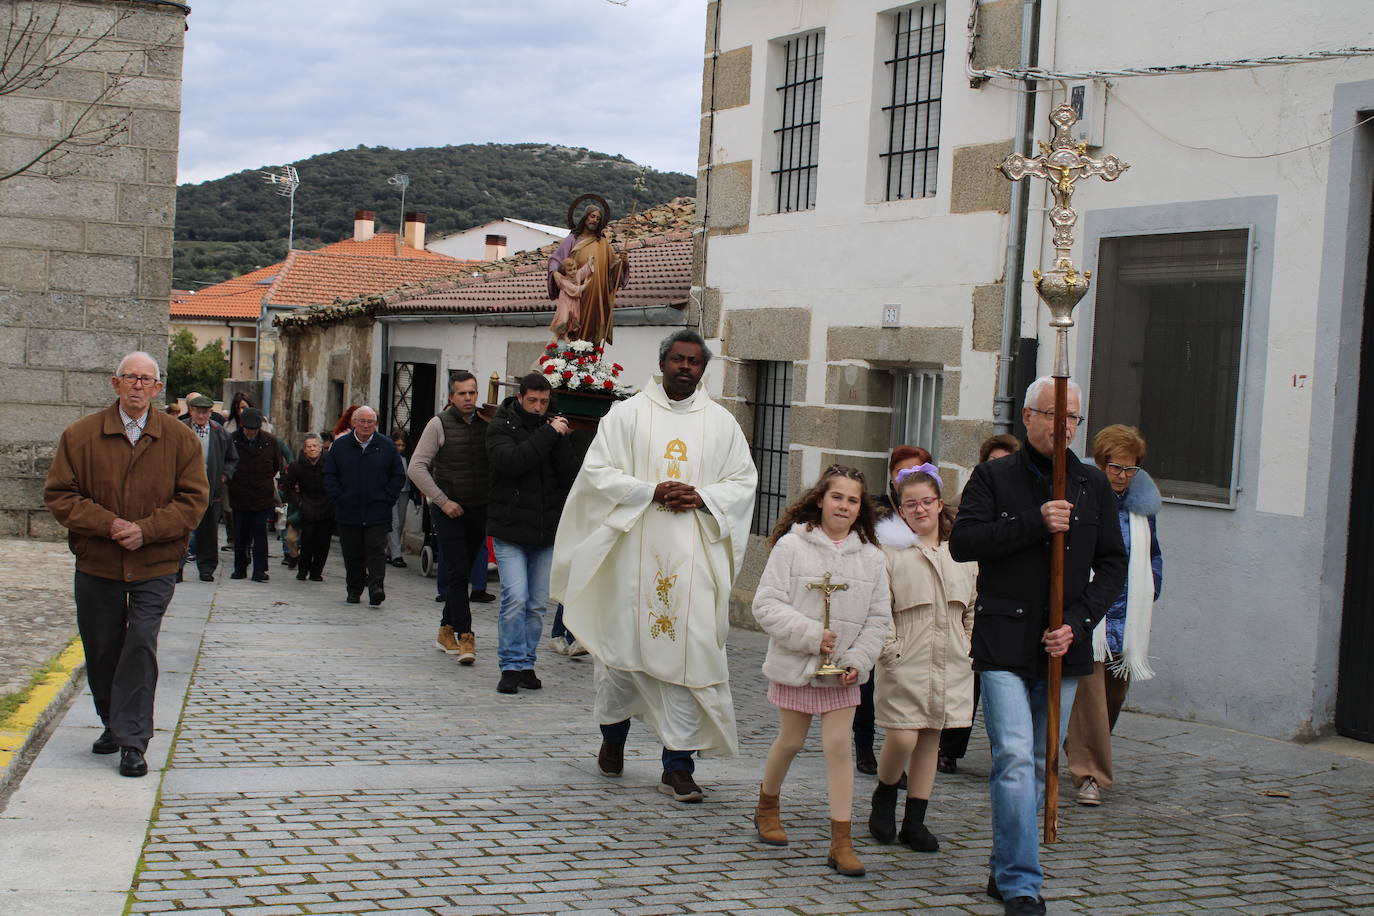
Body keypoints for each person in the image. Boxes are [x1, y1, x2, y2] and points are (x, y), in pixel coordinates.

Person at [550, 330, 757, 804]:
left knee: (687, 661)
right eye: (678, 359)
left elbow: (743, 481)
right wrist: (651, 491)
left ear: (704, 369)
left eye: (694, 362)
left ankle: (677, 767)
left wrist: (703, 495)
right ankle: (613, 740)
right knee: (621, 659)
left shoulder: (722, 424)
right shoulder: (626, 415)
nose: (686, 367)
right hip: (631, 558)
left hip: (693, 561)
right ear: (663, 362)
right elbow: (597, 474)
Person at [949, 376, 1126, 916]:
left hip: (1061, 647)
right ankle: (1024, 882)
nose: (1064, 427)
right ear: (1027, 417)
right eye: (1053, 415)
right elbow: (964, 543)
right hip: (1004, 641)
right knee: (1014, 758)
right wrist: (1033, 523)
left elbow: (1113, 565)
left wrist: (1077, 621)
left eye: (1072, 417)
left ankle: (1004, 869)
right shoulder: (993, 475)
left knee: (1041, 760)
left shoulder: (1092, 485)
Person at [43, 352, 208, 778]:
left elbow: (193, 501)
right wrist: (107, 523)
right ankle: (112, 723)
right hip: (98, 560)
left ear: (158, 389)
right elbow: (61, 494)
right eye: (129, 378)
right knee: (101, 649)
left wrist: (147, 530)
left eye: (146, 379)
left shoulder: (180, 439)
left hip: (155, 561)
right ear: (115, 384)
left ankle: (133, 741)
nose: (137, 385)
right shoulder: (80, 436)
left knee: (140, 643)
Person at [751, 465, 890, 877]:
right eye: (837, 497)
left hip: (841, 672)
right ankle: (767, 806)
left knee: (837, 747)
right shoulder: (792, 547)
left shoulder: (872, 557)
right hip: (798, 662)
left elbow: (878, 619)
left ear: (860, 507)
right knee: (791, 740)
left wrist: (858, 660)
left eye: (852, 500)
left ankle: (841, 841)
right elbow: (766, 604)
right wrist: (812, 636)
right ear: (820, 499)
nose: (844, 506)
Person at [869, 465, 975, 855]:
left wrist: (968, 642)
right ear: (900, 508)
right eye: (910, 504)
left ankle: (916, 819)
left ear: (939, 503)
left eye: (926, 502)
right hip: (906, 655)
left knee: (931, 737)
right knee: (902, 733)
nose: (920, 510)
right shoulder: (889, 553)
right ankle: (885, 790)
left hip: (950, 656)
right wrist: (890, 648)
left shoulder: (961, 551)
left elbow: (974, 603)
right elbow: (879, 607)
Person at [1065, 424, 1163, 807]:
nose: (1123, 477)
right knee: (1089, 699)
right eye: (1116, 468)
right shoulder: (1084, 498)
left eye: (1130, 469)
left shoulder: (1142, 509)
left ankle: (1073, 749)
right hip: (1092, 615)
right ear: (1101, 464)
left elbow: (1153, 551)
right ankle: (1089, 773)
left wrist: (1152, 586)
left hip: (1128, 616)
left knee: (1113, 697)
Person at [486, 373, 579, 694]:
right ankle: (509, 665)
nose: (539, 407)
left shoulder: (552, 429)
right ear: (521, 397)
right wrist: (548, 434)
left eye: (544, 401)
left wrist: (561, 438)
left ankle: (526, 662)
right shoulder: (501, 426)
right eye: (532, 401)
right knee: (515, 598)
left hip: (544, 532)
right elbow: (513, 462)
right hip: (510, 530)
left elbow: (570, 474)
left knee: (537, 604)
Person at [938, 433, 1022, 775]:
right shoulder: (963, 504)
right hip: (970, 595)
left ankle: (1005, 748)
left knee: (1005, 682)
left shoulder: (1023, 505)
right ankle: (950, 747)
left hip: (1006, 600)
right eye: (991, 463)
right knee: (966, 679)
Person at [856, 443, 934, 775]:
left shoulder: (931, 511)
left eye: (916, 471)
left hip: (915, 612)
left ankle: (898, 758)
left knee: (905, 689)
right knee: (870, 683)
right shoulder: (875, 509)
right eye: (901, 473)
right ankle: (864, 747)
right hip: (876, 608)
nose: (908, 478)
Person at [408, 373, 490, 661]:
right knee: (456, 570)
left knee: (463, 571)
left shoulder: (485, 423)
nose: (468, 398)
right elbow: (416, 467)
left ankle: (445, 627)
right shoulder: (438, 424)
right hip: (448, 511)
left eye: (472, 392)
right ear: (451, 397)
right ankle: (465, 637)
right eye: (462, 394)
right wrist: (443, 501)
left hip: (478, 508)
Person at [323, 405, 405, 606]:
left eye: (371, 422)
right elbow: (329, 475)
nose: (366, 425)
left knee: (376, 549)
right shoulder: (340, 446)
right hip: (348, 510)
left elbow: (398, 476)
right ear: (354, 423)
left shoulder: (386, 446)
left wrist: (387, 498)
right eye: (362, 421)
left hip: (377, 510)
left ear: (376, 424)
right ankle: (354, 588)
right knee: (352, 552)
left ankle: (376, 587)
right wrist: (339, 497)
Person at [546, 199, 629, 347]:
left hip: (597, 294)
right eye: (592, 216)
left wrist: (623, 263)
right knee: (574, 322)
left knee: (592, 328)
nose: (595, 220)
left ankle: (588, 355)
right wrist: (555, 273)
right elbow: (556, 259)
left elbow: (613, 268)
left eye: (598, 218)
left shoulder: (602, 243)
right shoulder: (572, 239)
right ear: (585, 218)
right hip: (577, 293)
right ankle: (572, 351)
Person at [178, 395, 237, 583]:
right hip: (183, 489)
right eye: (197, 411)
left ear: (211, 413)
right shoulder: (180, 429)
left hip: (211, 489)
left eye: (205, 412)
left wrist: (224, 475)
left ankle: (206, 568)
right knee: (180, 531)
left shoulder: (219, 432)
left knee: (209, 532)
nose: (201, 415)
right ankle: (176, 568)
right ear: (191, 411)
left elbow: (232, 458)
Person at [226, 408, 282, 582]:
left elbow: (276, 465)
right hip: (239, 493)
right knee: (241, 534)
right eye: (248, 429)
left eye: (254, 430)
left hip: (262, 495)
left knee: (260, 534)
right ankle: (240, 568)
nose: (250, 433)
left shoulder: (270, 441)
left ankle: (260, 570)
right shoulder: (233, 439)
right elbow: (227, 463)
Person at [282, 433, 334, 582]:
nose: (312, 449)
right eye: (309, 446)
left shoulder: (330, 462)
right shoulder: (297, 466)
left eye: (315, 446)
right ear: (304, 450)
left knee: (323, 542)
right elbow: (288, 487)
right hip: (307, 506)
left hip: (327, 506)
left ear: (321, 448)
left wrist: (334, 499)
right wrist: (299, 503)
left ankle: (317, 571)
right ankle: (303, 569)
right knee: (307, 540)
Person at [387, 428, 415, 568]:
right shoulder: (389, 457)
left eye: (402, 445)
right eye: (397, 445)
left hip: (405, 491)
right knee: (394, 522)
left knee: (401, 521)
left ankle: (390, 551)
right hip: (392, 492)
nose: (400, 448)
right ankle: (396, 555)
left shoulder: (408, 457)